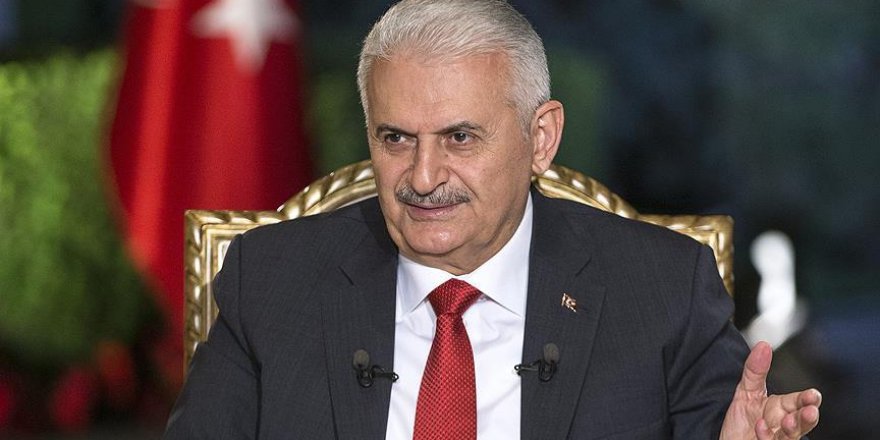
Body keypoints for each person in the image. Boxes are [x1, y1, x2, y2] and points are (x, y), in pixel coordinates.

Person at [164, 1, 821, 438]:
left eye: (459, 138)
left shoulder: (662, 287)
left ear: (541, 138)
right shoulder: (271, 280)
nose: (423, 177)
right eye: (396, 139)